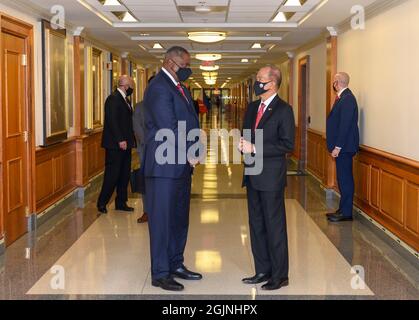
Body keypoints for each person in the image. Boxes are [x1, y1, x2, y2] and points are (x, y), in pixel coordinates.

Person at [142, 46, 202, 291]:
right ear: (169, 62)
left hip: (180, 167)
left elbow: (190, 121)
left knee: (179, 219)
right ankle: (160, 273)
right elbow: (169, 127)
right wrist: (190, 151)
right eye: (184, 65)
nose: (187, 70)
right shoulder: (158, 87)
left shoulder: (180, 88)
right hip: (164, 167)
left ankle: (176, 263)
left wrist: (195, 148)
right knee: (162, 222)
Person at [239, 65, 295, 291]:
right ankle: (262, 269)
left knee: (274, 226)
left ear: (272, 83)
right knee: (256, 224)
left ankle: (280, 275)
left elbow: (286, 144)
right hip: (252, 173)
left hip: (271, 177)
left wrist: (255, 147)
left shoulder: (284, 110)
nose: (257, 82)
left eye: (260, 79)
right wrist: (245, 146)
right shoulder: (253, 107)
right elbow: (247, 133)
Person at [97, 75, 136, 214]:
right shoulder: (113, 99)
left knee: (124, 174)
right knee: (112, 175)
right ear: (125, 86)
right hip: (115, 145)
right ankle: (102, 202)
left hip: (126, 144)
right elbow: (112, 121)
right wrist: (120, 140)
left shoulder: (125, 100)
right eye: (131, 86)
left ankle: (121, 202)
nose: (132, 89)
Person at [326, 72, 360, 222]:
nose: (333, 84)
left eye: (334, 81)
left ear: (337, 82)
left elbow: (345, 126)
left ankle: (346, 213)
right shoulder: (343, 98)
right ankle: (342, 209)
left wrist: (337, 147)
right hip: (343, 147)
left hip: (344, 148)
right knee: (342, 178)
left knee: (345, 179)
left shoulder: (347, 99)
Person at [133, 76, 155, 224]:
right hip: (146, 151)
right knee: (146, 181)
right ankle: (147, 211)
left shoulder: (167, 105)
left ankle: (162, 211)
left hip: (166, 152)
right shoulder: (140, 106)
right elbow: (137, 129)